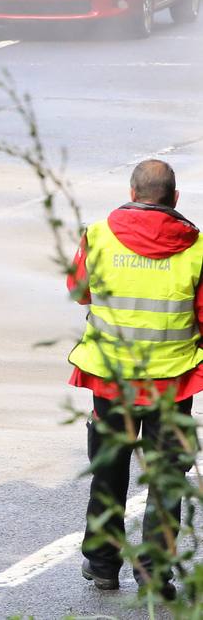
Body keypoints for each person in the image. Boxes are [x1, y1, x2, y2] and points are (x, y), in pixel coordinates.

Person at [64, 159, 203, 597]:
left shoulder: (99, 235)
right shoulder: (196, 248)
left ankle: (103, 565)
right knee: (165, 478)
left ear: (131, 190)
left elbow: (77, 291)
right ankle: (152, 573)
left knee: (109, 471)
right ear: (174, 198)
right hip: (172, 382)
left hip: (111, 380)